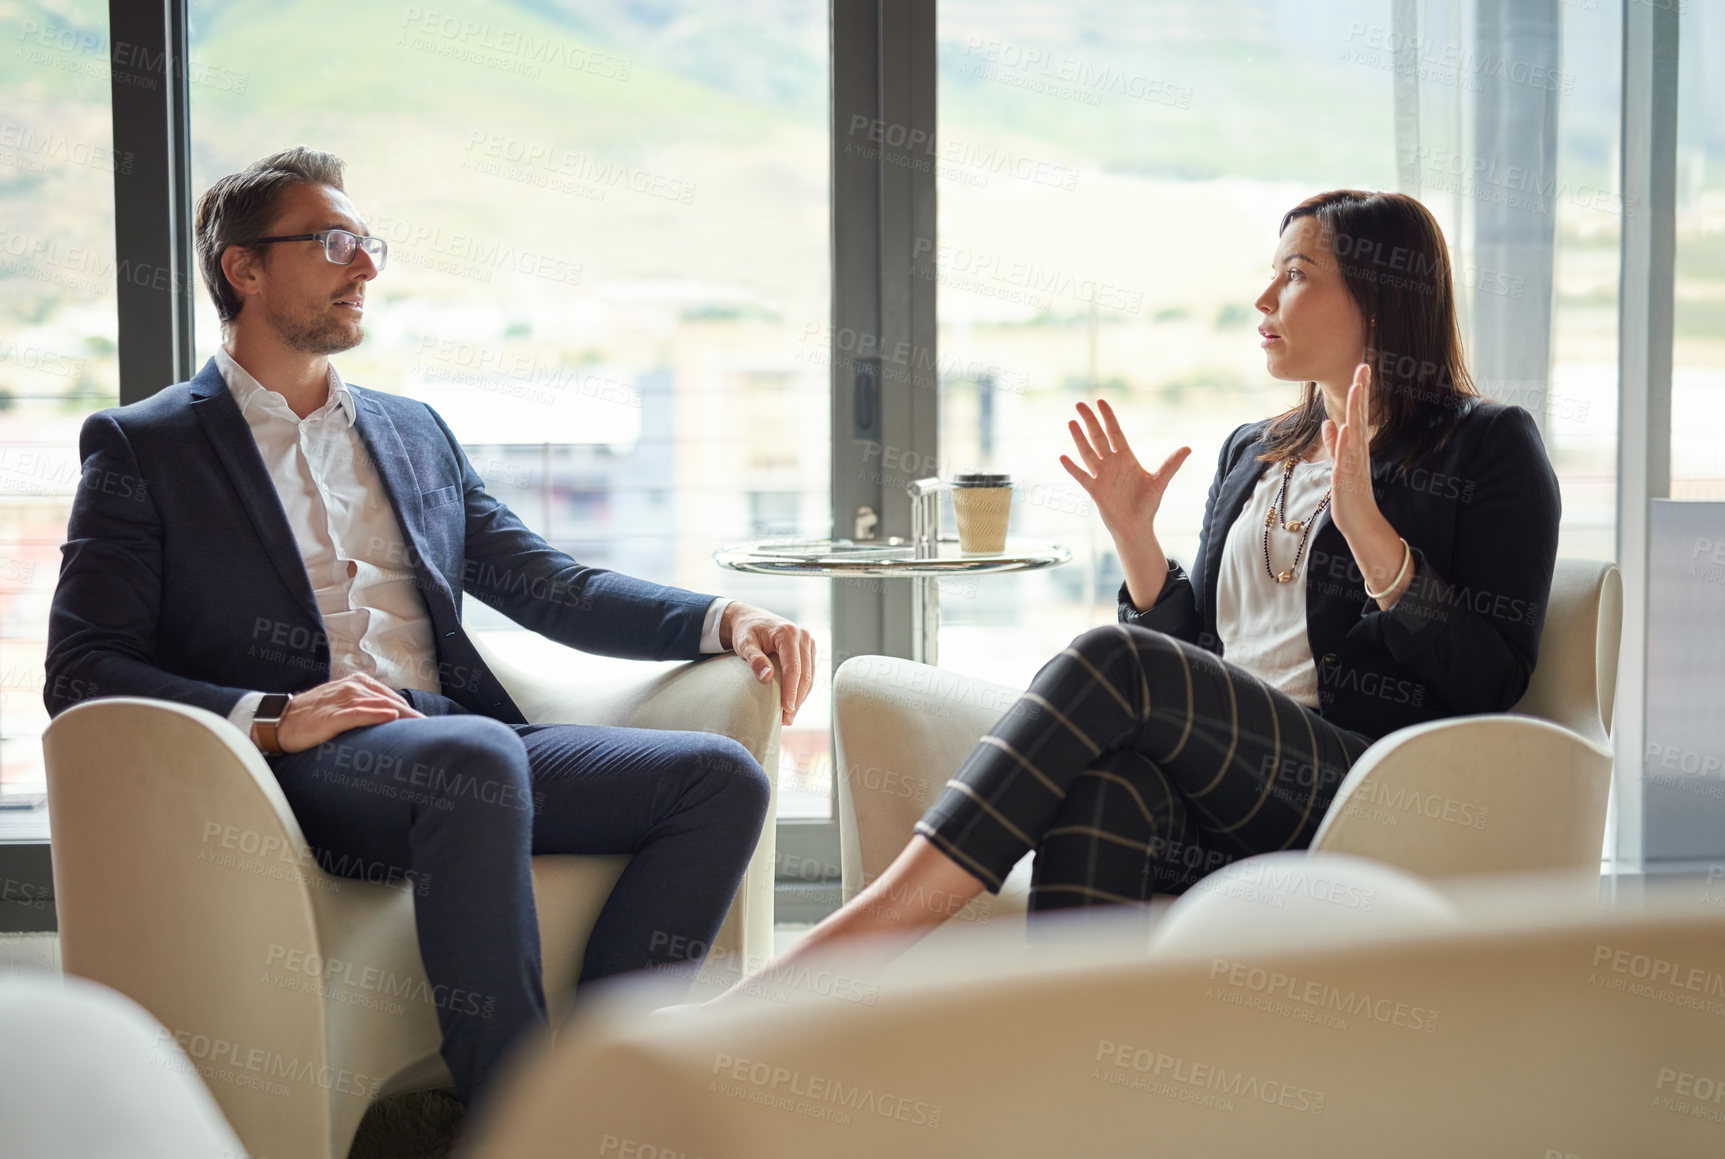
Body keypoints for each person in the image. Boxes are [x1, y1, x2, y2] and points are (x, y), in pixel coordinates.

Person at [43, 146, 817, 1109]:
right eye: (335, 243)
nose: (365, 266)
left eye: (369, 243)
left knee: (715, 779)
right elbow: (83, 668)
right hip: (301, 771)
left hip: (457, 740)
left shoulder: (413, 431)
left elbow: (548, 585)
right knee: (475, 759)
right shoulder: (146, 445)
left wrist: (720, 615)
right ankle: (511, 1116)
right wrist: (280, 714)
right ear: (243, 268)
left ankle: (600, 1091)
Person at [716, 187, 1560, 996]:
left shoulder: (1483, 449)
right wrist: (1135, 540)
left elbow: (1491, 676)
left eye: (1296, 274)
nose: (1264, 296)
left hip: (1363, 785)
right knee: (1107, 785)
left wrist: (1374, 537)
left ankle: (866, 935)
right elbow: (1198, 662)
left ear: (1383, 296)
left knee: (1111, 658)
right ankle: (1076, 1086)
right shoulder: (1253, 449)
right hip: (1232, 779)